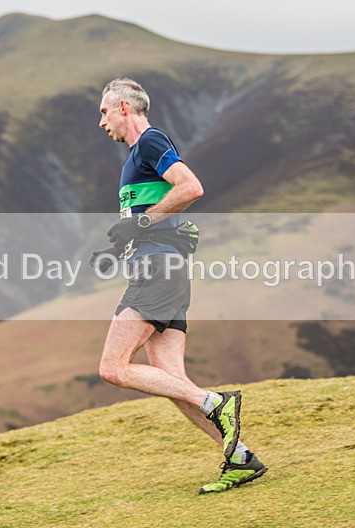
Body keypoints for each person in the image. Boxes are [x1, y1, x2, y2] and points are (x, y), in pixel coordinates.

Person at [92, 78, 266, 494]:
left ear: (122, 107)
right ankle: (240, 458)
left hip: (158, 272)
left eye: (103, 113)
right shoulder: (136, 157)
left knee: (112, 368)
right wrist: (134, 231)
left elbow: (191, 187)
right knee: (172, 382)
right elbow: (158, 213)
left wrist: (142, 223)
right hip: (160, 268)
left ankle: (215, 403)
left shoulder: (150, 142)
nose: (101, 123)